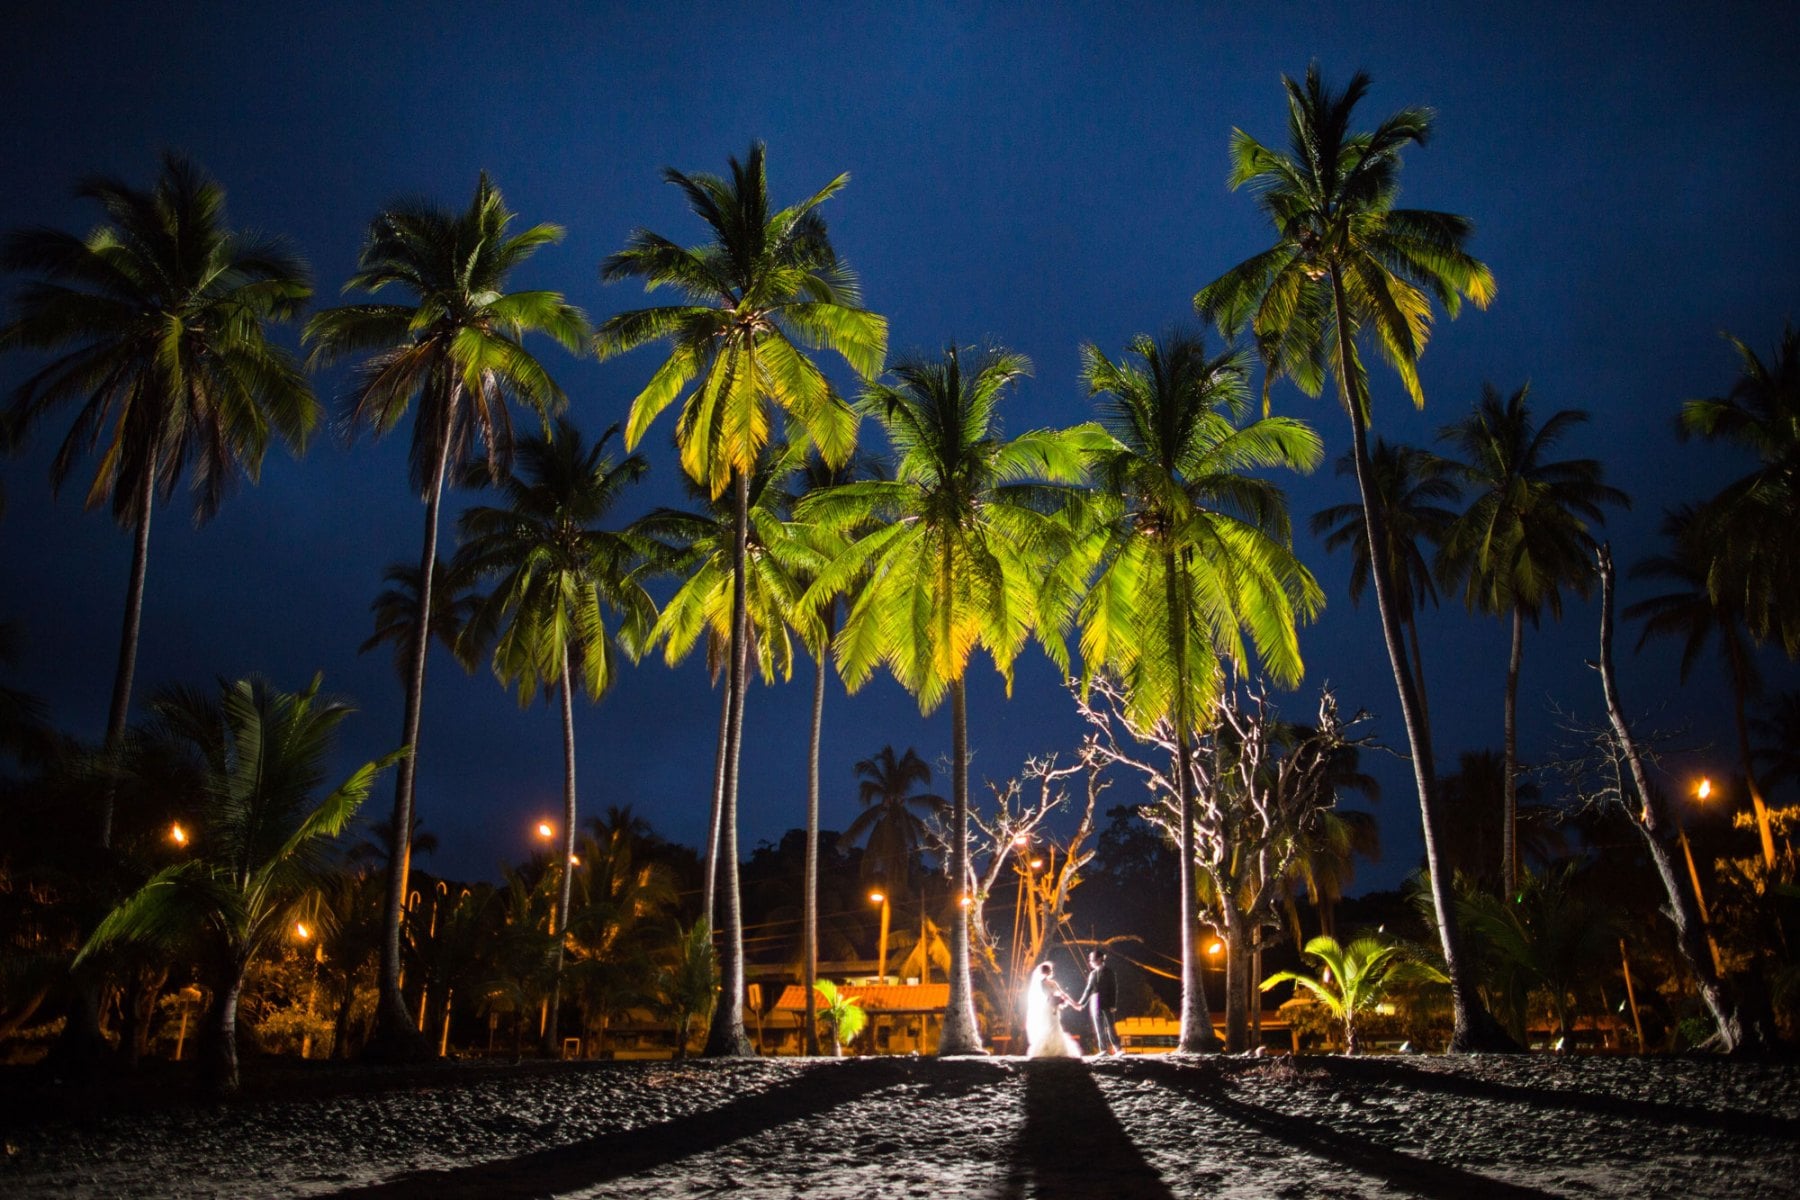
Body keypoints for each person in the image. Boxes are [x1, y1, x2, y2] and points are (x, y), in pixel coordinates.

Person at [1023, 962, 1080, 1058]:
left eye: (1049, 970)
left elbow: (1063, 994)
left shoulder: (1053, 983)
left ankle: (1057, 1049)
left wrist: (1073, 1004)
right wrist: (1058, 1000)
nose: (1049, 972)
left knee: (1056, 1027)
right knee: (1049, 1027)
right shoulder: (1040, 983)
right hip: (1048, 1008)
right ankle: (1047, 1049)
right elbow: (1048, 996)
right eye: (1047, 970)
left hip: (1055, 1008)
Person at [1075, 948, 1121, 1056]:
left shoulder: (1109, 972)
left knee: (1110, 1026)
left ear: (1100, 959)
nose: (1090, 962)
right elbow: (1088, 989)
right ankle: (1103, 1050)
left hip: (1107, 1002)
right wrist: (1081, 1003)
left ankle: (1117, 1049)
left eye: (1092, 960)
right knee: (1098, 1027)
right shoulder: (1092, 974)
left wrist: (1113, 1004)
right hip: (1095, 1002)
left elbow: (1113, 988)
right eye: (1090, 960)